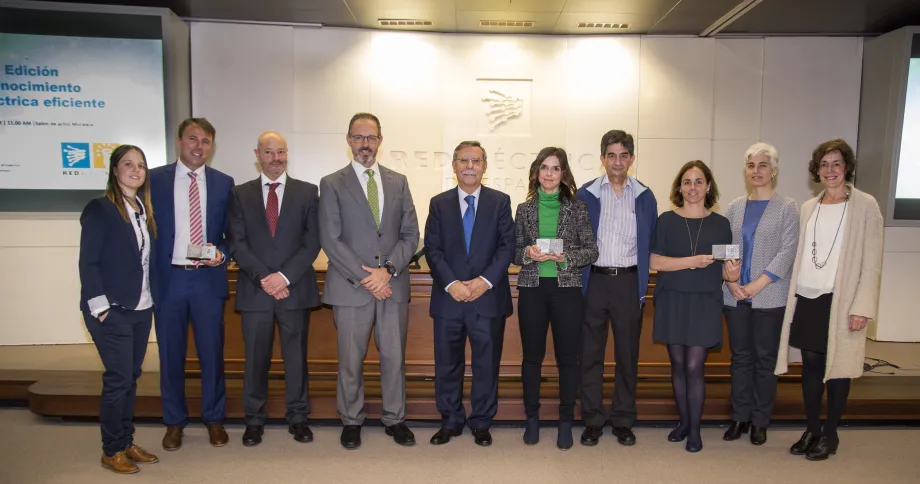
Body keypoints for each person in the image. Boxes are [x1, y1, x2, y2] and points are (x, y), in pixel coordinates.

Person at [775, 139, 883, 461]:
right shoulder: (810, 207)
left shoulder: (866, 205)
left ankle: (831, 434)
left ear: (847, 167)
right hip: (808, 295)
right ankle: (812, 429)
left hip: (842, 300)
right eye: (824, 164)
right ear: (817, 170)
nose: (830, 170)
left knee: (838, 367)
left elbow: (872, 262)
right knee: (810, 366)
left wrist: (862, 307)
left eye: (837, 163)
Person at [319, 113, 420, 450]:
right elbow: (331, 239)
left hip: (392, 285)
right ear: (348, 140)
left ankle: (395, 419)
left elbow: (410, 234)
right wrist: (368, 277)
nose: (365, 143)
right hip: (351, 287)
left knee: (394, 357)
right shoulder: (332, 183)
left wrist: (387, 270)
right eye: (359, 137)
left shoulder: (398, 181)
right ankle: (351, 420)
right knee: (350, 360)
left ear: (380, 140)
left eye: (371, 137)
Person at [228, 131, 321, 446]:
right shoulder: (239, 194)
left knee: (296, 359)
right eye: (269, 152)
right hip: (255, 292)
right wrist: (264, 278)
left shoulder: (307, 192)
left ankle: (298, 418)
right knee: (256, 360)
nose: (276, 158)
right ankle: (254, 420)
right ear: (258, 154)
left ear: (287, 153)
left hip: (294, 290)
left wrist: (284, 277)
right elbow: (236, 242)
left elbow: (312, 241)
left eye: (281, 152)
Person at [149, 118, 235, 450]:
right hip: (169, 278)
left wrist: (222, 253)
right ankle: (174, 422)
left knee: (212, 353)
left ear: (212, 146)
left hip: (206, 280)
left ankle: (214, 419)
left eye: (205, 141)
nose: (199, 146)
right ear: (179, 141)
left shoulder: (223, 183)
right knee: (171, 354)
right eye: (192, 139)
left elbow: (233, 234)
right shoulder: (154, 180)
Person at [425, 140, 515, 447]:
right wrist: (453, 284)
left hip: (487, 299)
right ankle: (450, 420)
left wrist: (483, 282)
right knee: (447, 365)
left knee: (486, 365)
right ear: (453, 165)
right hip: (448, 299)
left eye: (475, 161)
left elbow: (507, 247)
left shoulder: (500, 202)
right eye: (463, 160)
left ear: (484, 166)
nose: (469, 166)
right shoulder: (438, 203)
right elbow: (432, 249)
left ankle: (481, 422)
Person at [79, 145, 161, 473]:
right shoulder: (100, 209)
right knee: (118, 380)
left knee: (131, 378)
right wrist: (101, 309)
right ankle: (111, 449)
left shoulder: (143, 210)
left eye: (141, 165)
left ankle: (126, 441)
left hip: (142, 307)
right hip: (112, 309)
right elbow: (88, 262)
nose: (136, 170)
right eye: (128, 164)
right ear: (115, 170)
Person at [513, 147, 598, 449]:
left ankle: (565, 422)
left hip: (567, 291)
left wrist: (565, 259)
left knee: (567, 359)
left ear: (564, 174)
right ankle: (532, 419)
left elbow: (591, 251)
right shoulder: (523, 209)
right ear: (537, 171)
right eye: (544, 167)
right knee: (531, 358)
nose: (549, 173)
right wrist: (527, 252)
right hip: (532, 289)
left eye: (556, 168)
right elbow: (515, 252)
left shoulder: (578, 208)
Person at [650, 160, 738, 453]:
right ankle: (684, 422)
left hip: (705, 302)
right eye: (687, 182)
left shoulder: (721, 224)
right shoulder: (666, 220)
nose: (692, 188)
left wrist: (733, 273)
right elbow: (655, 261)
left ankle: (695, 430)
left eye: (699, 181)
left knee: (693, 366)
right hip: (672, 299)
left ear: (708, 187)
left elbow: (726, 269)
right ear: (679, 187)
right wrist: (692, 261)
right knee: (677, 365)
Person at [576, 130, 657, 447]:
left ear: (632, 159)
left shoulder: (645, 196)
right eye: (611, 155)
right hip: (594, 280)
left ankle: (623, 420)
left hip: (627, 281)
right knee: (590, 355)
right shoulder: (586, 194)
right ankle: (593, 420)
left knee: (627, 355)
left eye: (624, 155)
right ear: (602, 159)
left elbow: (651, 242)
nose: (618, 161)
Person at [722, 143, 799, 446]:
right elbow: (726, 249)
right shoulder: (734, 207)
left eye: (763, 165)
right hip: (735, 295)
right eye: (751, 165)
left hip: (769, 295)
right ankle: (740, 417)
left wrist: (757, 284)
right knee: (740, 358)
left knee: (764, 361)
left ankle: (759, 420)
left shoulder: (787, 207)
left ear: (774, 170)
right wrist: (730, 281)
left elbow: (788, 251)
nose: (757, 171)